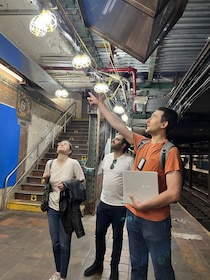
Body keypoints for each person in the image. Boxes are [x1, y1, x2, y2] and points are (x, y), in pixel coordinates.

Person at [87, 92, 183, 280]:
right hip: (133, 217)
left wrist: (144, 205)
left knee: (162, 268)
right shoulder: (142, 143)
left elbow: (174, 193)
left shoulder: (169, 151)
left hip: (155, 221)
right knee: (137, 265)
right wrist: (101, 105)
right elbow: (118, 125)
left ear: (164, 124)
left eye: (153, 116)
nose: (148, 119)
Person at [84, 133, 134, 280]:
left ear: (124, 145)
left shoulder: (129, 161)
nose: (114, 140)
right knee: (99, 234)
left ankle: (114, 268)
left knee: (117, 237)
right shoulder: (107, 157)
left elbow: (132, 183)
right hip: (104, 204)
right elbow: (105, 176)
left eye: (117, 139)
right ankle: (98, 263)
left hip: (120, 207)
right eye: (114, 138)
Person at [43, 140, 85, 280]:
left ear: (70, 151)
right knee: (55, 243)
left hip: (67, 208)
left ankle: (63, 276)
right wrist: (45, 178)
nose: (61, 145)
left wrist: (67, 185)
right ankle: (58, 271)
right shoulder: (50, 163)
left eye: (65, 144)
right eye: (60, 144)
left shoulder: (73, 163)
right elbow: (44, 182)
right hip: (52, 207)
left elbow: (81, 182)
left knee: (64, 243)